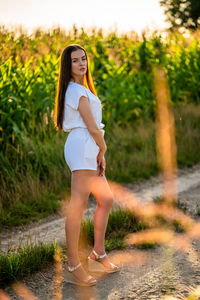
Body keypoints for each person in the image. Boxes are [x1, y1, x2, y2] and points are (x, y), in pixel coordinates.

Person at [54, 44, 119, 287]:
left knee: (107, 199)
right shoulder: (73, 90)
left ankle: (98, 252)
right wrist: (102, 149)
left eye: (84, 59)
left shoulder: (82, 88)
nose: (82, 63)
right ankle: (72, 263)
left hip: (89, 146)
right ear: (67, 65)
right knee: (78, 206)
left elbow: (94, 128)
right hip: (83, 146)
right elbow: (92, 126)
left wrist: (99, 153)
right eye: (75, 60)